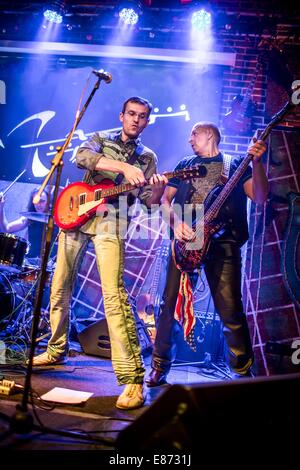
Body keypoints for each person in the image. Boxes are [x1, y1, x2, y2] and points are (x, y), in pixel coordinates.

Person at [31, 96, 168, 410]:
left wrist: (157, 186)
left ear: (147, 121)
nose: (135, 120)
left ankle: (133, 378)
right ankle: (56, 349)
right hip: (76, 212)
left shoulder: (148, 158)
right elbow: (82, 158)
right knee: (59, 286)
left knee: (114, 296)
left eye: (142, 116)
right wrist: (121, 166)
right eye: (131, 114)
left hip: (112, 221)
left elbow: (148, 200)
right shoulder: (100, 139)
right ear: (122, 115)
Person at [146, 121, 269, 387]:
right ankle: (159, 366)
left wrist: (257, 164)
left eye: (194, 133)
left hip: (223, 243)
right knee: (168, 306)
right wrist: (176, 224)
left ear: (210, 134)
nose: (190, 139)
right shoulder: (185, 164)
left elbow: (259, 197)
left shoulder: (235, 165)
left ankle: (242, 372)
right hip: (185, 243)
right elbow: (164, 201)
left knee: (231, 310)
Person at [0, 186, 52, 259]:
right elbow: (6, 229)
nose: (38, 205)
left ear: (49, 202)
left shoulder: (56, 220)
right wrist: (1, 208)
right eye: (35, 201)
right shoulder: (30, 217)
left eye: (42, 201)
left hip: (50, 263)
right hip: (30, 261)